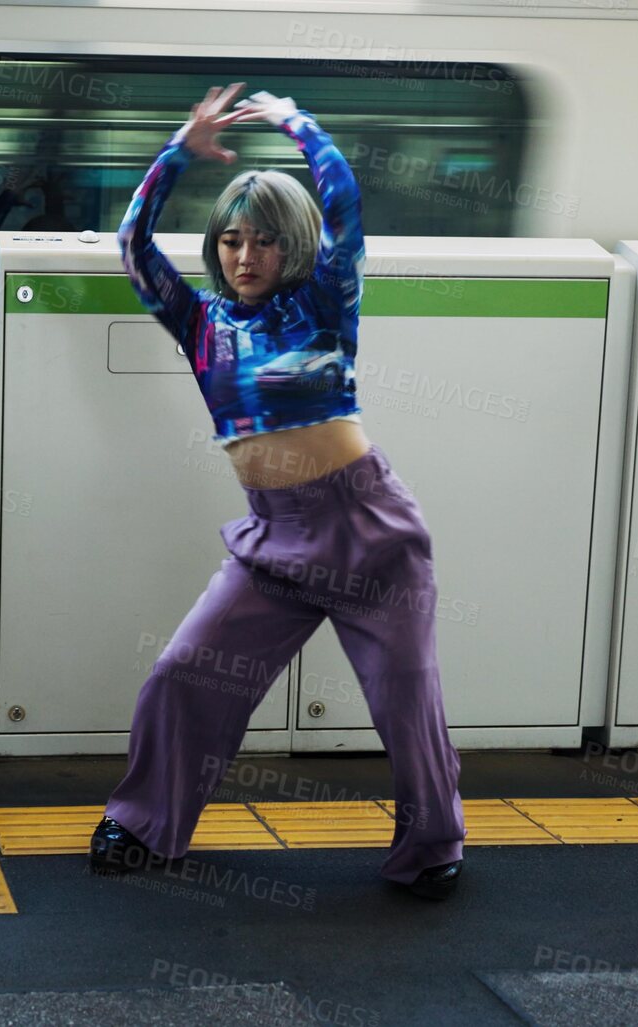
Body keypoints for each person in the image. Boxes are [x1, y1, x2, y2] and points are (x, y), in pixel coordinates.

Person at [89, 84, 466, 899]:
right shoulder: (200, 323)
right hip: (273, 540)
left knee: (406, 701)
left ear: (289, 245)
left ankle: (433, 843)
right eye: (230, 239)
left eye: (261, 240)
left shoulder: (323, 301)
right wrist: (175, 155)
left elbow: (344, 201)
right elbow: (130, 243)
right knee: (182, 670)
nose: (244, 255)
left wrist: (296, 121)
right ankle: (142, 818)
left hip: (369, 529)